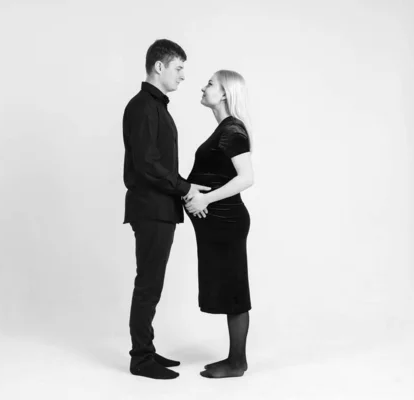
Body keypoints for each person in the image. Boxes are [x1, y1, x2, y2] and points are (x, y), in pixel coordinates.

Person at [122, 39, 210, 380]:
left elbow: (157, 166)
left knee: (152, 284)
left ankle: (147, 350)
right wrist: (185, 188)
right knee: (148, 284)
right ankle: (140, 358)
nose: (183, 76)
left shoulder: (156, 106)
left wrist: (186, 187)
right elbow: (147, 165)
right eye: (178, 68)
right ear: (159, 67)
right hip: (150, 209)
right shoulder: (143, 106)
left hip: (160, 207)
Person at [183, 70, 255, 378]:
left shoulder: (232, 130)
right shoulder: (224, 129)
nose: (203, 86)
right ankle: (234, 359)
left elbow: (247, 178)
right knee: (229, 289)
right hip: (219, 225)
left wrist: (205, 200)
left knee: (235, 290)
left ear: (225, 92)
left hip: (227, 222)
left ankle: (237, 362)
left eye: (210, 83)